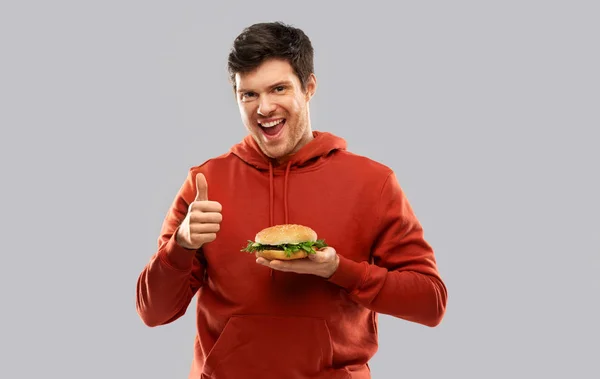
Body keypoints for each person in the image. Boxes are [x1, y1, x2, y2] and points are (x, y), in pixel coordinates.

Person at [135, 21, 448, 379]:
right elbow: (152, 312)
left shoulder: (373, 183)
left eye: (278, 88)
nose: (263, 107)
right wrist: (182, 244)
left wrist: (338, 270)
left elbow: (431, 303)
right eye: (248, 94)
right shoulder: (205, 183)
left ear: (309, 87)